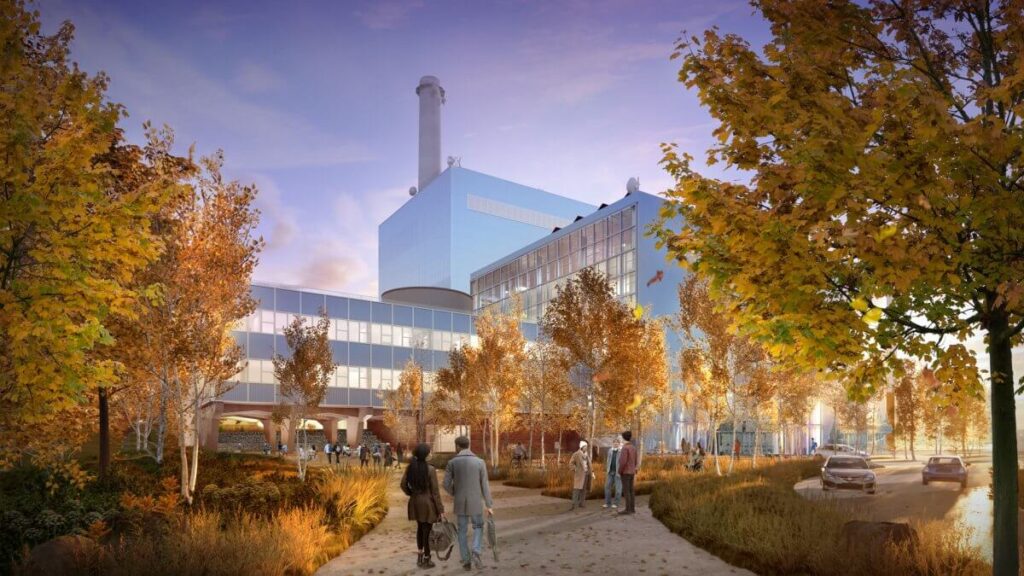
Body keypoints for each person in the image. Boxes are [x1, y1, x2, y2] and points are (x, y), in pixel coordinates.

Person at [443, 436, 493, 571]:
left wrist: (456, 492)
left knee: (462, 531)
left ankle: (466, 561)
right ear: (468, 445)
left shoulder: (452, 462)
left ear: (457, 446)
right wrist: (489, 505)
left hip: (460, 502)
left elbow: (445, 484)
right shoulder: (480, 462)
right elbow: (485, 485)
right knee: (478, 526)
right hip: (476, 501)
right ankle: (476, 551)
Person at [401, 443, 445, 569]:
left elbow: (403, 484)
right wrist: (440, 510)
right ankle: (427, 558)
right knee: (427, 531)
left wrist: (411, 493)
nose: (430, 454)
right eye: (429, 452)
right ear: (425, 455)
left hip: (415, 502)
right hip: (428, 504)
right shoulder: (430, 469)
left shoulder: (410, 468)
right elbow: (435, 492)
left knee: (420, 529)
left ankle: (420, 556)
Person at [617, 430, 637, 515]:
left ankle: (627, 509)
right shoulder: (633, 447)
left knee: (626, 491)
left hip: (625, 472)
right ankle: (632, 508)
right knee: (631, 490)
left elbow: (622, 462)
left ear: (623, 438)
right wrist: (634, 468)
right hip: (632, 471)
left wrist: (619, 471)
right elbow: (636, 460)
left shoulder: (625, 448)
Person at [569, 440, 592, 511]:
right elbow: (571, 463)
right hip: (579, 474)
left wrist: (591, 472)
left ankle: (582, 503)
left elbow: (589, 464)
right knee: (576, 489)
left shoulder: (587, 454)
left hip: (587, 474)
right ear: (582, 446)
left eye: (587, 447)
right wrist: (575, 469)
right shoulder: (576, 454)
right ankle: (573, 504)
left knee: (584, 490)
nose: (586, 448)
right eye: (585, 446)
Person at [603, 437, 623, 509]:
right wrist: (607, 469)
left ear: (619, 444)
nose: (616, 443)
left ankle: (616, 503)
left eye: (617, 442)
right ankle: (608, 503)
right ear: (613, 443)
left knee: (618, 490)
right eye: (614, 442)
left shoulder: (621, 451)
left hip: (618, 473)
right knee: (607, 487)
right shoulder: (610, 451)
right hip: (610, 472)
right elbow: (608, 460)